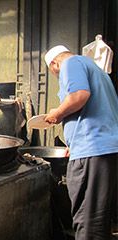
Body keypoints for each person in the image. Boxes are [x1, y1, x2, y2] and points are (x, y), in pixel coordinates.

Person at [44, 45, 118, 240]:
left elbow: (79, 96)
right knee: (100, 220)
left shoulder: (71, 63)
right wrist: (74, 142)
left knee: (88, 224)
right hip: (104, 150)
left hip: (91, 150)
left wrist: (57, 114)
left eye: (53, 73)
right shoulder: (99, 72)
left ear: (54, 64)